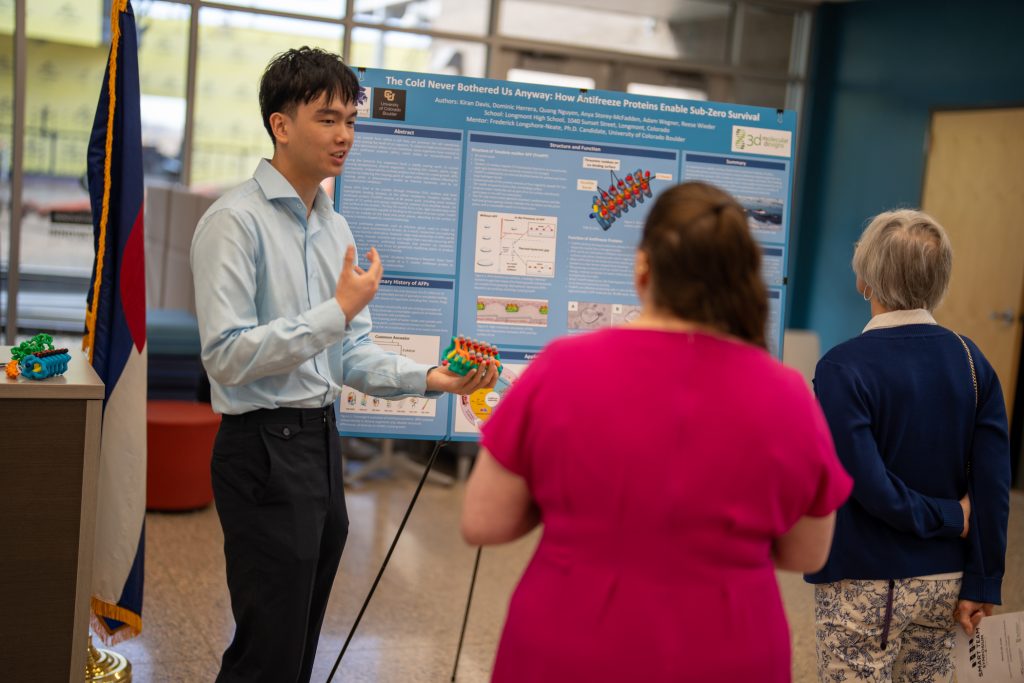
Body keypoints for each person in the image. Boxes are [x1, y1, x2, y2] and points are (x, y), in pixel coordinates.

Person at [461, 181, 853, 682]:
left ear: (643, 267)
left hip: (570, 642)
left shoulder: (561, 369)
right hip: (731, 650)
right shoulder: (788, 394)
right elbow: (807, 552)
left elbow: (484, 521)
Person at [190, 47, 497, 683]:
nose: (345, 136)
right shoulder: (233, 222)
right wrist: (335, 312)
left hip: (320, 442)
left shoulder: (333, 226)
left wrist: (431, 380)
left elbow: (349, 352)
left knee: (300, 634)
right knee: (268, 644)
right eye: (329, 119)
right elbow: (226, 357)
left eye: (351, 121)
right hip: (261, 447)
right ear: (280, 124)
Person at [807, 209, 1011, 682]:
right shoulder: (973, 361)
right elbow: (992, 485)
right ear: (940, 282)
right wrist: (983, 581)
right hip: (946, 584)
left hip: (863, 585)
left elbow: (869, 485)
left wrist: (944, 515)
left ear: (865, 281)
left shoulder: (842, 368)